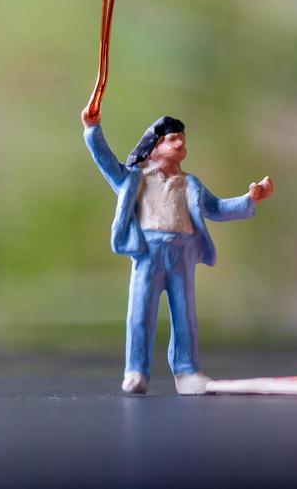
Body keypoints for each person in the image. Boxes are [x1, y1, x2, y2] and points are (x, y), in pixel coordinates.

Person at [81, 102, 273, 395]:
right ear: (155, 145)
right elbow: (106, 161)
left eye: (182, 138)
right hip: (148, 251)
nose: (180, 143)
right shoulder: (133, 178)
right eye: (172, 138)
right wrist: (92, 130)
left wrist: (250, 199)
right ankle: (136, 370)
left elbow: (217, 208)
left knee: (185, 316)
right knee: (140, 314)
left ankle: (187, 372)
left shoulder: (190, 184)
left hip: (182, 253)